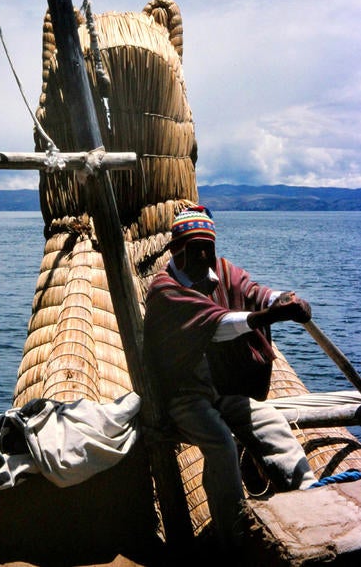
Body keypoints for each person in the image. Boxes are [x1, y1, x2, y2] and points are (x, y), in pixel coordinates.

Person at [143, 205, 318, 556]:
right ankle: (235, 532)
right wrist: (269, 316)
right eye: (197, 248)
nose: (206, 255)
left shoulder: (219, 270)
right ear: (178, 249)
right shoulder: (166, 289)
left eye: (210, 246)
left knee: (270, 421)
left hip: (220, 390)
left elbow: (254, 292)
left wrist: (284, 300)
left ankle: (311, 494)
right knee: (221, 442)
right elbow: (219, 326)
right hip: (184, 396)